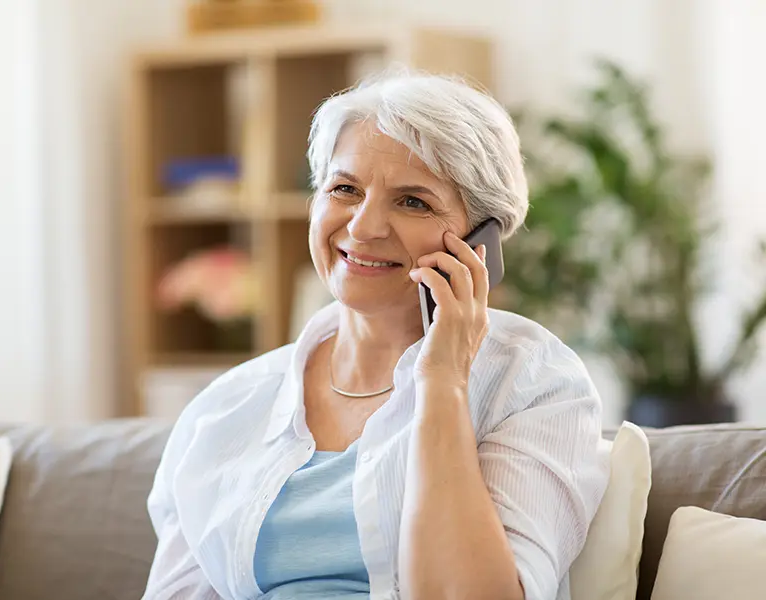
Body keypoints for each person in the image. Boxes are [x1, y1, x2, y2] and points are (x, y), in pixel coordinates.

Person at [142, 70, 610, 600]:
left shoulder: (533, 382)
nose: (363, 228)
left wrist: (442, 383)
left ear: (482, 241)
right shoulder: (226, 408)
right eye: (344, 189)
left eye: (413, 201)